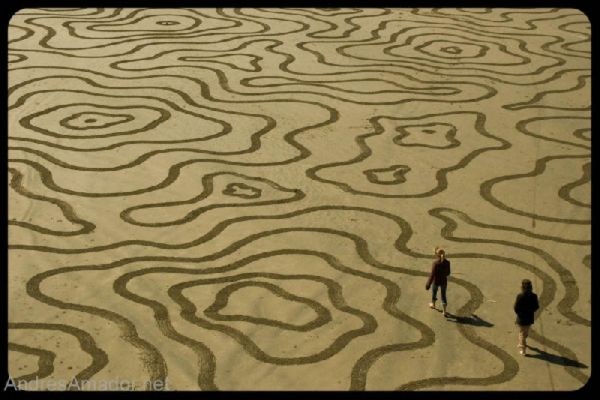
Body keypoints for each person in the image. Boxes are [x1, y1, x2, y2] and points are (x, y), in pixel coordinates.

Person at [514, 279, 539, 355]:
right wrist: (531, 311)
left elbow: (516, 307)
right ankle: (523, 342)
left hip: (521, 318)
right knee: (525, 332)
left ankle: (522, 348)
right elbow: (536, 306)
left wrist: (519, 313)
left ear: (522, 287)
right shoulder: (534, 296)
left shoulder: (520, 296)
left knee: (522, 333)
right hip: (529, 317)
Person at [425, 247, 451, 316]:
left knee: (434, 293)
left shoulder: (435, 263)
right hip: (444, 282)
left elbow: (432, 275)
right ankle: (444, 311)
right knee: (443, 295)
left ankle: (433, 304)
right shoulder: (447, 263)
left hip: (436, 282)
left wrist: (428, 284)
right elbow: (448, 273)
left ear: (437, 255)